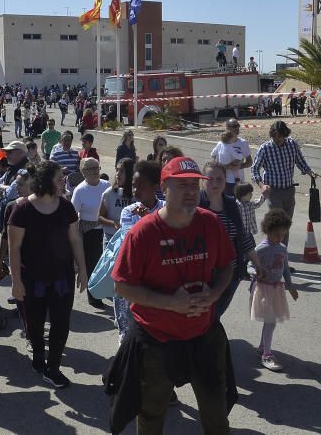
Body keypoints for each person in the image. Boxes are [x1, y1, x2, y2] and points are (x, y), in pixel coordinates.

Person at [108, 156, 237, 434]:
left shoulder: (210, 223)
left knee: (216, 414)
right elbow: (122, 287)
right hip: (156, 340)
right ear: (163, 188)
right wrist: (171, 303)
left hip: (204, 335)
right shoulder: (143, 232)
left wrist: (214, 294)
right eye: (182, 185)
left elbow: (228, 264)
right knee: (152, 413)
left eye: (194, 185)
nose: (191, 191)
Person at [7, 160, 87, 389]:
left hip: (62, 278)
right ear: (45, 181)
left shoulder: (66, 207)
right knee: (34, 323)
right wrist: (16, 282)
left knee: (61, 323)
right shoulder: (22, 209)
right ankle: (39, 358)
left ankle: (52, 368)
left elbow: (75, 239)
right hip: (32, 279)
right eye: (59, 178)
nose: (64, 182)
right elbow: (15, 248)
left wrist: (82, 269)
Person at [200, 162, 263, 319]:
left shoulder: (231, 204)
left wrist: (258, 265)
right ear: (202, 180)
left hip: (231, 274)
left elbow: (243, 237)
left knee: (216, 314)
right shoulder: (196, 204)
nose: (215, 183)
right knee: (205, 316)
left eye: (219, 179)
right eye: (210, 178)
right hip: (203, 275)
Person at [112, 160, 163, 343]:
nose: (136, 190)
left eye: (141, 186)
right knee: (127, 326)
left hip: (156, 275)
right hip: (131, 274)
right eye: (134, 186)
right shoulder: (128, 211)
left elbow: (165, 240)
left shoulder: (165, 209)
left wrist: (147, 220)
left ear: (155, 187)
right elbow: (129, 240)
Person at [251, 120, 319, 246]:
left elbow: (300, 161)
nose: (278, 140)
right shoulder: (265, 148)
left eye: (280, 137)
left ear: (285, 134)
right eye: (275, 137)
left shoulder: (292, 144)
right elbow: (254, 169)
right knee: (277, 225)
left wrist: (310, 173)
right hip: (273, 192)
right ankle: (272, 253)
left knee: (286, 225)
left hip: (289, 190)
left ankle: (282, 258)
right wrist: (262, 185)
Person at [250, 208, 298, 372]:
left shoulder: (282, 248)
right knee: (270, 322)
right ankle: (267, 355)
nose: (281, 238)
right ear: (268, 231)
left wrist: (290, 286)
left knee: (270, 321)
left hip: (276, 289)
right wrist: (255, 272)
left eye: (283, 234)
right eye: (277, 234)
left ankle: (262, 347)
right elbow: (249, 265)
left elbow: (285, 268)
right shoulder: (261, 249)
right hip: (263, 289)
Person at [71, 157, 112, 307]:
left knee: (107, 264)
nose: (95, 171)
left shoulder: (106, 185)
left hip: (107, 230)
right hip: (90, 233)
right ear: (83, 172)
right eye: (91, 169)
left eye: (97, 167)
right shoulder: (80, 190)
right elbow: (73, 214)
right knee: (92, 265)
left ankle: (106, 290)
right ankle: (93, 296)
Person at [98, 157, 135, 247]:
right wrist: (114, 223)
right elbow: (99, 217)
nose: (118, 174)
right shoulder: (109, 193)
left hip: (131, 239)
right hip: (111, 239)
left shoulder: (137, 194)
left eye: (122, 171)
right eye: (117, 170)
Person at [210, 119, 252, 196]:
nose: (237, 128)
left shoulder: (243, 143)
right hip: (222, 180)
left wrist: (240, 165)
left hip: (238, 182)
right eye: (234, 126)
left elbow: (250, 162)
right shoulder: (220, 144)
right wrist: (221, 167)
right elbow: (213, 158)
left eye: (238, 126)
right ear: (227, 128)